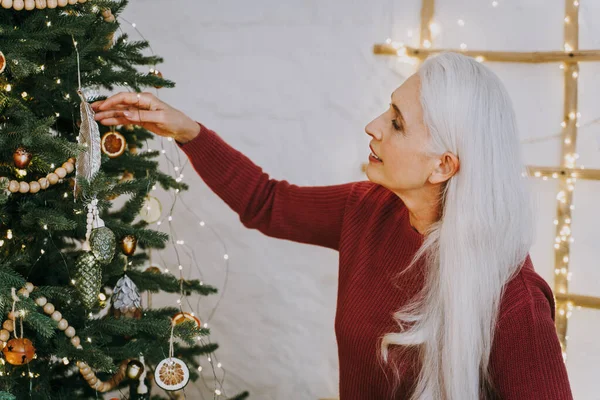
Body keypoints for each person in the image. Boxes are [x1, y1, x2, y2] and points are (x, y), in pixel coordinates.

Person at [91, 52, 573, 400]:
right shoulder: (368, 209)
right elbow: (266, 202)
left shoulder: (515, 304)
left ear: (443, 165)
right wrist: (188, 132)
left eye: (397, 123)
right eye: (388, 109)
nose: (373, 126)